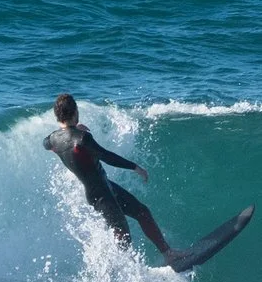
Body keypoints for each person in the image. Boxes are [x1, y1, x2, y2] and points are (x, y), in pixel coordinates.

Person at [44, 93, 175, 260]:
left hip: (99, 191)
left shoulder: (53, 140)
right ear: (75, 112)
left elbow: (45, 143)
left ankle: (169, 255)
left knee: (142, 213)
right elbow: (106, 156)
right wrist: (135, 167)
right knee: (124, 240)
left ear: (57, 115)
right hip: (103, 195)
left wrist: (74, 129)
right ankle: (123, 276)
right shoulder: (82, 138)